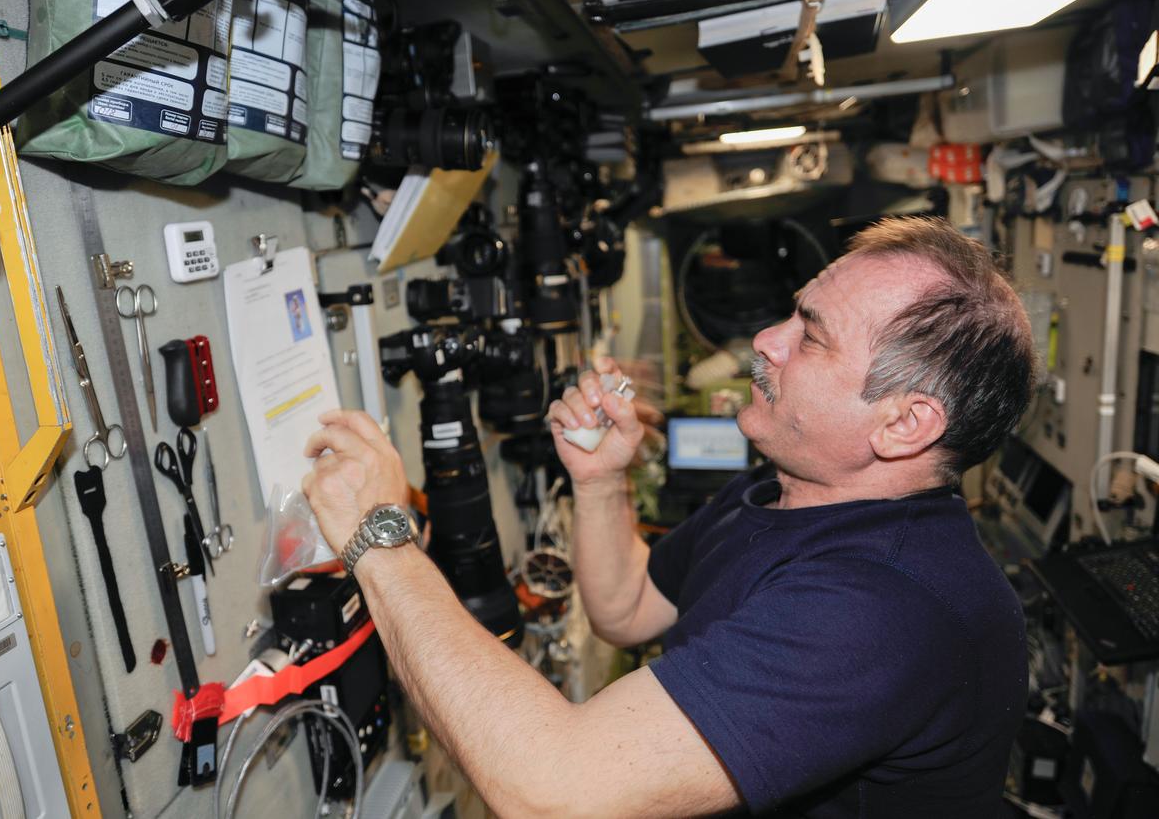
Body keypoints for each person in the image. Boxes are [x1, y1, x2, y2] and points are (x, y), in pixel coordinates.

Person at [301, 216, 1037, 817]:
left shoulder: (888, 608)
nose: (766, 341)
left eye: (810, 335)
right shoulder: (786, 489)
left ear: (904, 424)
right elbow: (625, 608)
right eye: (792, 311)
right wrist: (599, 482)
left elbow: (553, 790)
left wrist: (380, 537)